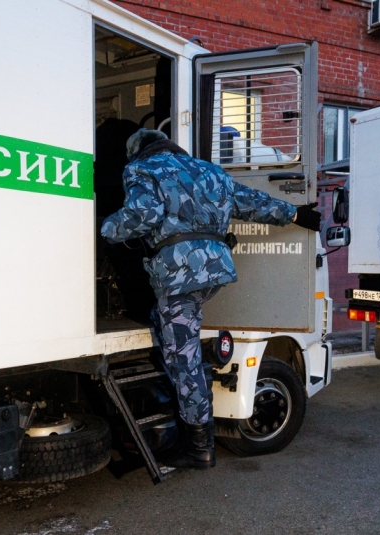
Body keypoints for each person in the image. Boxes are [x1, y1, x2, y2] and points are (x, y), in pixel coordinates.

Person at [100, 129, 321, 470]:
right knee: (171, 333)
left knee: (183, 362)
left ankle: (199, 448)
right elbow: (253, 203)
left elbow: (143, 216)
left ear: (138, 152)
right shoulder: (210, 171)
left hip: (180, 274)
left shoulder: (142, 169)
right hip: (215, 270)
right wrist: (296, 214)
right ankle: (194, 366)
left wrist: (102, 228)